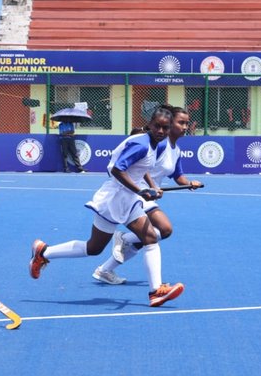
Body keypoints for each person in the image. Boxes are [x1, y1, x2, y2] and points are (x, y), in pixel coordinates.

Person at [29, 106, 184, 308]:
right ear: (149, 125)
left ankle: (156, 292)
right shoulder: (142, 144)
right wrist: (140, 190)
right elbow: (116, 169)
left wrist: (152, 187)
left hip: (128, 199)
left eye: (165, 128)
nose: (161, 131)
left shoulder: (157, 145)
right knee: (93, 248)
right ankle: (44, 252)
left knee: (149, 237)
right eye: (157, 127)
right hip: (114, 199)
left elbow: (141, 167)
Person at [93, 106, 203, 285]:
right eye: (181, 122)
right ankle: (125, 241)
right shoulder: (159, 144)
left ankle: (105, 269)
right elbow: (141, 167)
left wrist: (190, 183)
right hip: (140, 192)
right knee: (159, 231)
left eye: (186, 123)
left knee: (154, 235)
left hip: (149, 194)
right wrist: (150, 187)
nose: (184, 127)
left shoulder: (176, 150)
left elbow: (178, 176)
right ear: (170, 122)